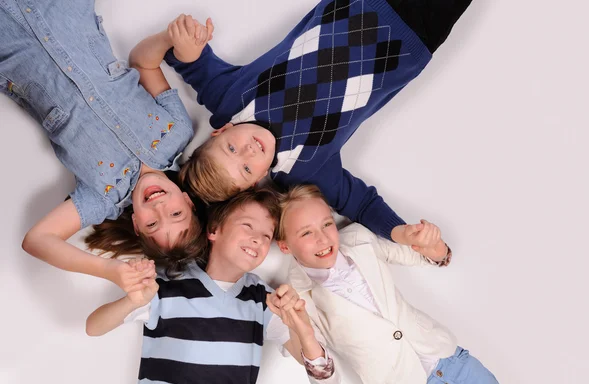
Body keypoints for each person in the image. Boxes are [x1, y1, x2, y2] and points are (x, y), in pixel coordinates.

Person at [132, 0, 472, 247]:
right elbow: (360, 203)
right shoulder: (303, 169)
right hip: (415, 35)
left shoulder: (228, 99)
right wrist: (402, 233)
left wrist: (182, 40)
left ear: (221, 130)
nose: (249, 150)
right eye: (247, 167)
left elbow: (176, 55)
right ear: (255, 183)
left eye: (232, 148)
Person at [0, 1, 206, 291]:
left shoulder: (102, 198)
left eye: (152, 225)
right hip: (62, 11)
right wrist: (169, 39)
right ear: (187, 200)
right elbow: (144, 63)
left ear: (136, 224)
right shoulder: (176, 132)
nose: (159, 208)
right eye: (175, 214)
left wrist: (111, 271)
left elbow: (37, 240)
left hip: (9, 44)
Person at [86, 188, 340, 384]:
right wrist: (132, 301)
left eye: (266, 235)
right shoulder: (168, 287)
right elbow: (93, 327)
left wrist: (304, 330)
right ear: (214, 230)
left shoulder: (264, 301)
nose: (257, 240)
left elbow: (327, 383)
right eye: (247, 226)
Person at [275, 184, 510, 384]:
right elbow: (328, 383)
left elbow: (421, 254)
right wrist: (304, 332)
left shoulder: (358, 238)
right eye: (306, 233)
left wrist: (433, 244)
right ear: (285, 246)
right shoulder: (297, 300)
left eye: (326, 224)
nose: (323, 237)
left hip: (453, 362)